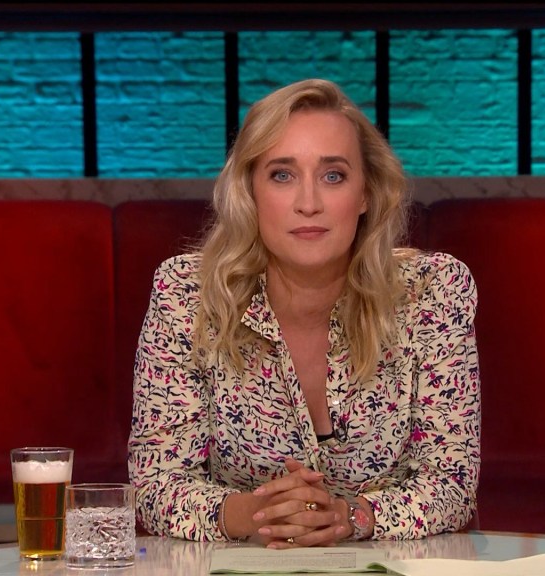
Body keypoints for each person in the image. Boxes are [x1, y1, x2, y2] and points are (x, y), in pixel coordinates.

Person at [128, 78, 480, 548]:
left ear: (366, 193)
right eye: (282, 175)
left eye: (333, 176)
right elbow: (156, 485)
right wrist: (259, 514)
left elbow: (451, 483)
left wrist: (351, 517)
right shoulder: (188, 295)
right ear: (249, 192)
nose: (309, 204)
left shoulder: (432, 292)